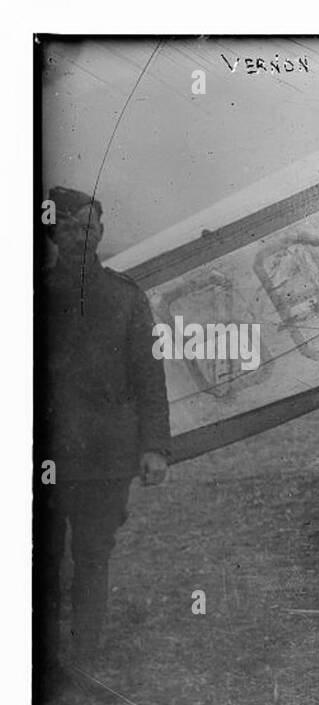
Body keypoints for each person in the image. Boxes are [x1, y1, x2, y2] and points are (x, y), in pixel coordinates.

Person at [36, 187, 170, 670]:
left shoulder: (125, 296)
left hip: (105, 456)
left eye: (91, 225)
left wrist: (155, 446)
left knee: (92, 556)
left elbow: (148, 375)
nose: (83, 235)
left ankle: (83, 664)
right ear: (54, 232)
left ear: (101, 233)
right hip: (46, 456)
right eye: (71, 226)